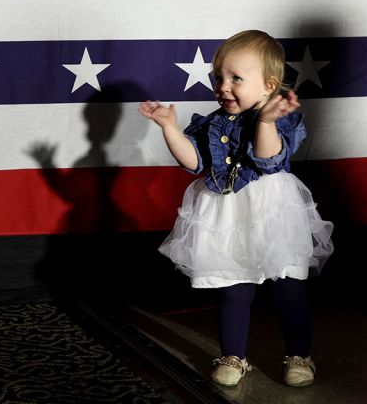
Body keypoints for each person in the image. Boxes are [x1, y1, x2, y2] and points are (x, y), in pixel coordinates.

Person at [139, 30, 334, 388]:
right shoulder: (212, 122)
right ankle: (233, 355)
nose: (224, 87)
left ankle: (298, 354)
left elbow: (268, 158)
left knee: (288, 286)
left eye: (236, 79)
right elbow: (194, 161)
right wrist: (169, 129)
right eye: (219, 78)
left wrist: (265, 121)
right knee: (233, 286)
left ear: (268, 85)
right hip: (227, 213)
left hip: (272, 209)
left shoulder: (279, 118)